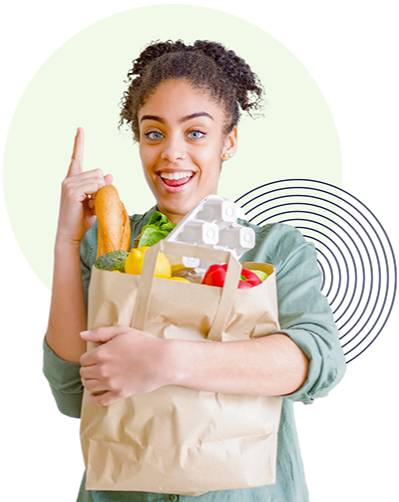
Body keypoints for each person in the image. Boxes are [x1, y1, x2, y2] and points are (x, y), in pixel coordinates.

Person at [43, 39, 347, 502]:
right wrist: (67, 243)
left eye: (196, 133)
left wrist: (166, 361)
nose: (172, 154)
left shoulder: (274, 249)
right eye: (154, 133)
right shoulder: (109, 250)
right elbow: (70, 393)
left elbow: (321, 365)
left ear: (229, 142)